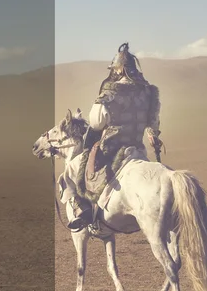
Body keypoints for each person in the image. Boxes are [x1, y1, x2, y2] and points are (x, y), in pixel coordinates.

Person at [62, 42, 163, 231]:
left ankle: (82, 211)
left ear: (118, 70)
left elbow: (96, 123)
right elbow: (153, 122)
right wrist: (152, 134)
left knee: (73, 168)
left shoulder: (110, 92)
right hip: (137, 149)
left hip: (111, 149)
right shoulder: (149, 92)